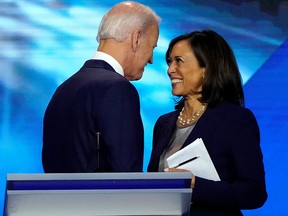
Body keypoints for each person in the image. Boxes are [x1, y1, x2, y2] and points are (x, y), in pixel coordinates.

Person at [148, 30, 267, 215]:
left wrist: (195, 185)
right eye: (169, 62)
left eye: (178, 61)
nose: (170, 69)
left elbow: (254, 192)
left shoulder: (236, 120)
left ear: (207, 69)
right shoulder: (163, 123)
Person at [42, 1, 160, 173]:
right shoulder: (117, 89)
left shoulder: (64, 89)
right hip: (104, 200)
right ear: (136, 38)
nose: (151, 59)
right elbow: (127, 176)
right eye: (152, 47)